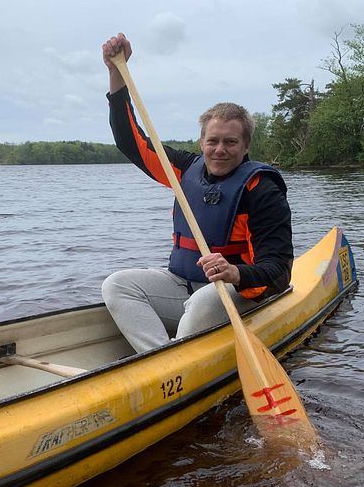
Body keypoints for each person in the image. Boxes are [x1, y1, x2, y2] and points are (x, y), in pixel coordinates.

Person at [101, 33, 293, 353]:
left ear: (245, 146)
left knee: (205, 300)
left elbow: (279, 272)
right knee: (118, 285)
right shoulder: (182, 169)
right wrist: (116, 72)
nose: (220, 150)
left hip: (238, 291)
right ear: (201, 142)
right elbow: (129, 141)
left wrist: (234, 272)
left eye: (231, 142)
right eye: (212, 141)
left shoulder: (262, 189)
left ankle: (174, 361)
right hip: (182, 285)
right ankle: (159, 359)